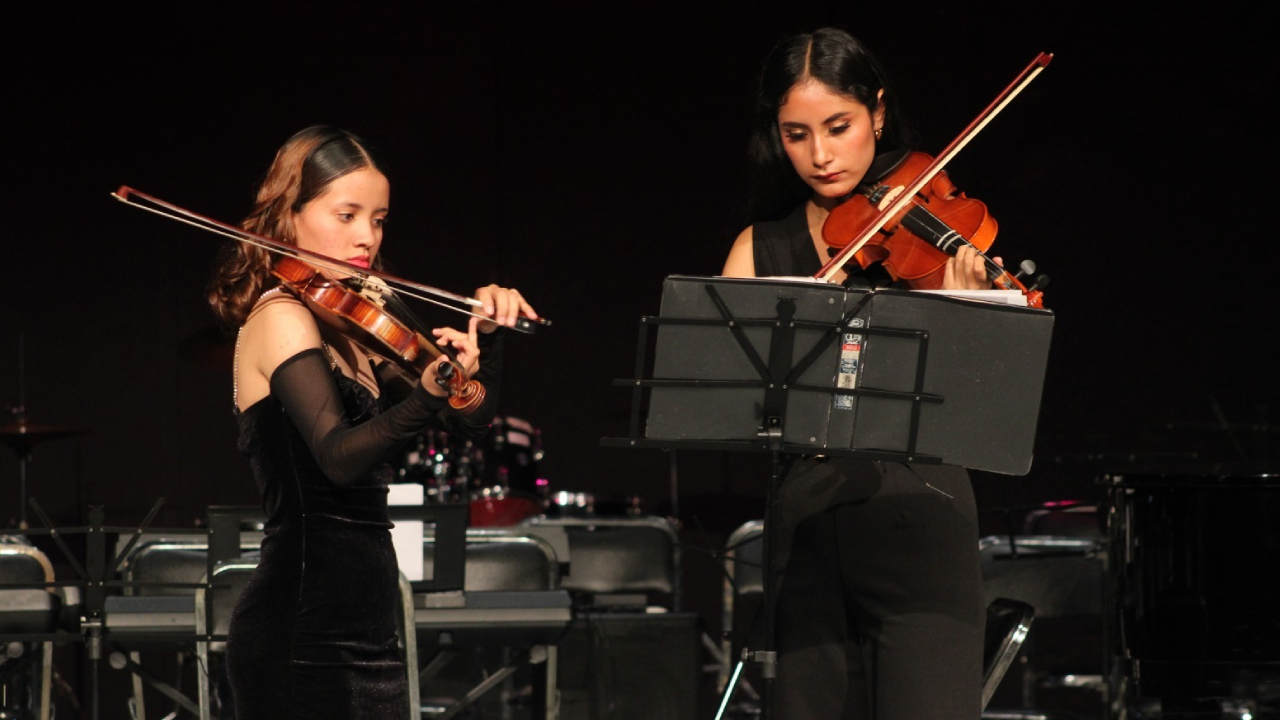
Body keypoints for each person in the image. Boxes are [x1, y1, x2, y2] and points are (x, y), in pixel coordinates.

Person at [207, 125, 536, 719]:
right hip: (302, 626)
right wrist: (427, 394)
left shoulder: (359, 316)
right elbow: (337, 457)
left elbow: (475, 419)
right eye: (347, 214)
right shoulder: (280, 317)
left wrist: (485, 342)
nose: (366, 237)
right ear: (291, 215)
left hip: (368, 614)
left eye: (378, 219)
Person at [721, 29, 989, 719]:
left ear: (876, 111)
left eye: (838, 127)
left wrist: (969, 309)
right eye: (797, 133)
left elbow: (985, 396)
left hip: (919, 509)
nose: (820, 154)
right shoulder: (760, 246)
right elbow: (724, 394)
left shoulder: (929, 219)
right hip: (806, 522)